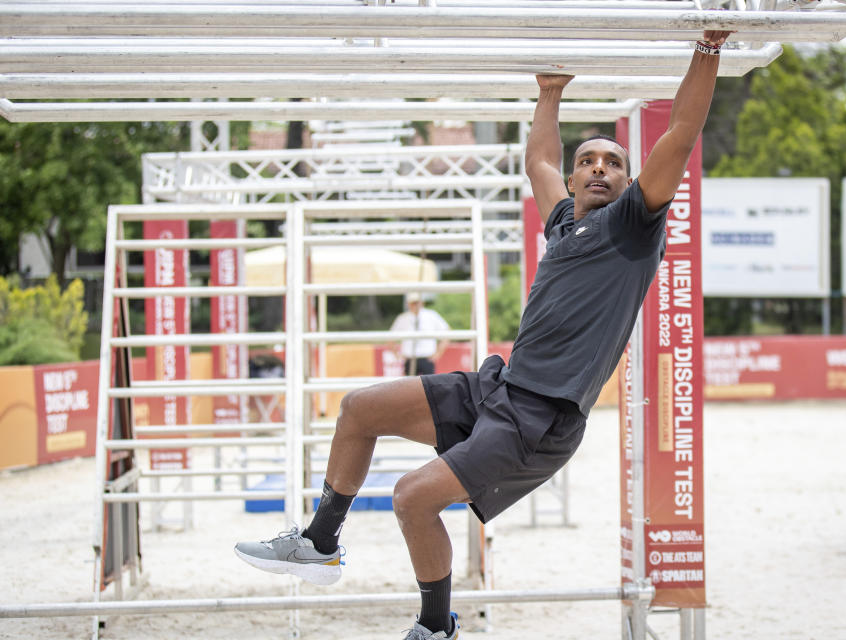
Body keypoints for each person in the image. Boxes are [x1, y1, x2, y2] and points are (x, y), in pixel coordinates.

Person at [235, 29, 732, 639]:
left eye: (614, 162)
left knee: (413, 497)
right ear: (575, 182)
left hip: (541, 419)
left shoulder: (633, 226)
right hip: (502, 387)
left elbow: (680, 133)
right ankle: (319, 541)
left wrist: (708, 45)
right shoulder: (563, 222)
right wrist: (550, 92)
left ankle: (435, 627)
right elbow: (538, 161)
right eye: (588, 161)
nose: (598, 168)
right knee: (359, 410)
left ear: (630, 183)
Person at [390, 292, 450, 376]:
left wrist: (438, 353)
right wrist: (397, 355)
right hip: (409, 359)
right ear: (408, 304)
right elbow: (390, 338)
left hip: (427, 358)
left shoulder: (431, 315)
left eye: (417, 302)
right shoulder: (402, 318)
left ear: (422, 302)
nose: (415, 305)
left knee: (428, 386)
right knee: (410, 386)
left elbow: (446, 332)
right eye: (413, 303)